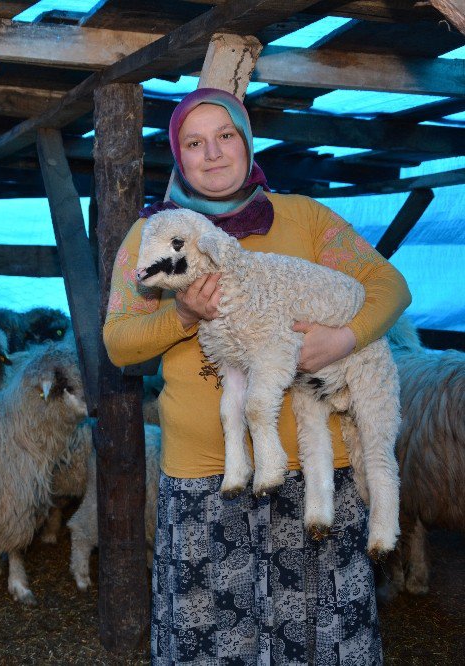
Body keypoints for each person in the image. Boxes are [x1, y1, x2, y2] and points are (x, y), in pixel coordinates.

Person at [103, 88, 410, 665]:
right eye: (194, 143)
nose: (213, 154)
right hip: (205, 479)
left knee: (320, 638)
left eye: (226, 137)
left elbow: (389, 285)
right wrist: (184, 314)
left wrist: (341, 340)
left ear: (246, 143)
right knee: (212, 642)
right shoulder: (153, 235)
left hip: (318, 476)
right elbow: (118, 343)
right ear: (177, 155)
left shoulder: (305, 219)